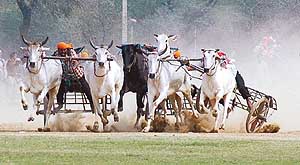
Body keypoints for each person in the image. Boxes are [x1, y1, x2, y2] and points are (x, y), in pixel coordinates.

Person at [186, 50, 254, 111]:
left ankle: (248, 100)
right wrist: (185, 66)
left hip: (232, 76)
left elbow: (229, 74)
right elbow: (192, 68)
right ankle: (223, 106)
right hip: (216, 80)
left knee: (241, 87)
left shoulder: (225, 63)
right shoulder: (206, 61)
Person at [55, 42, 94, 111]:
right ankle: (60, 104)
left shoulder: (71, 52)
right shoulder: (56, 54)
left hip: (77, 74)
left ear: (66, 49)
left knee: (86, 88)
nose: (63, 52)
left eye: (64, 50)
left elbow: (76, 61)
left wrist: (72, 67)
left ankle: (92, 104)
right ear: (58, 50)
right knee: (60, 89)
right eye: (61, 50)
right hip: (64, 76)